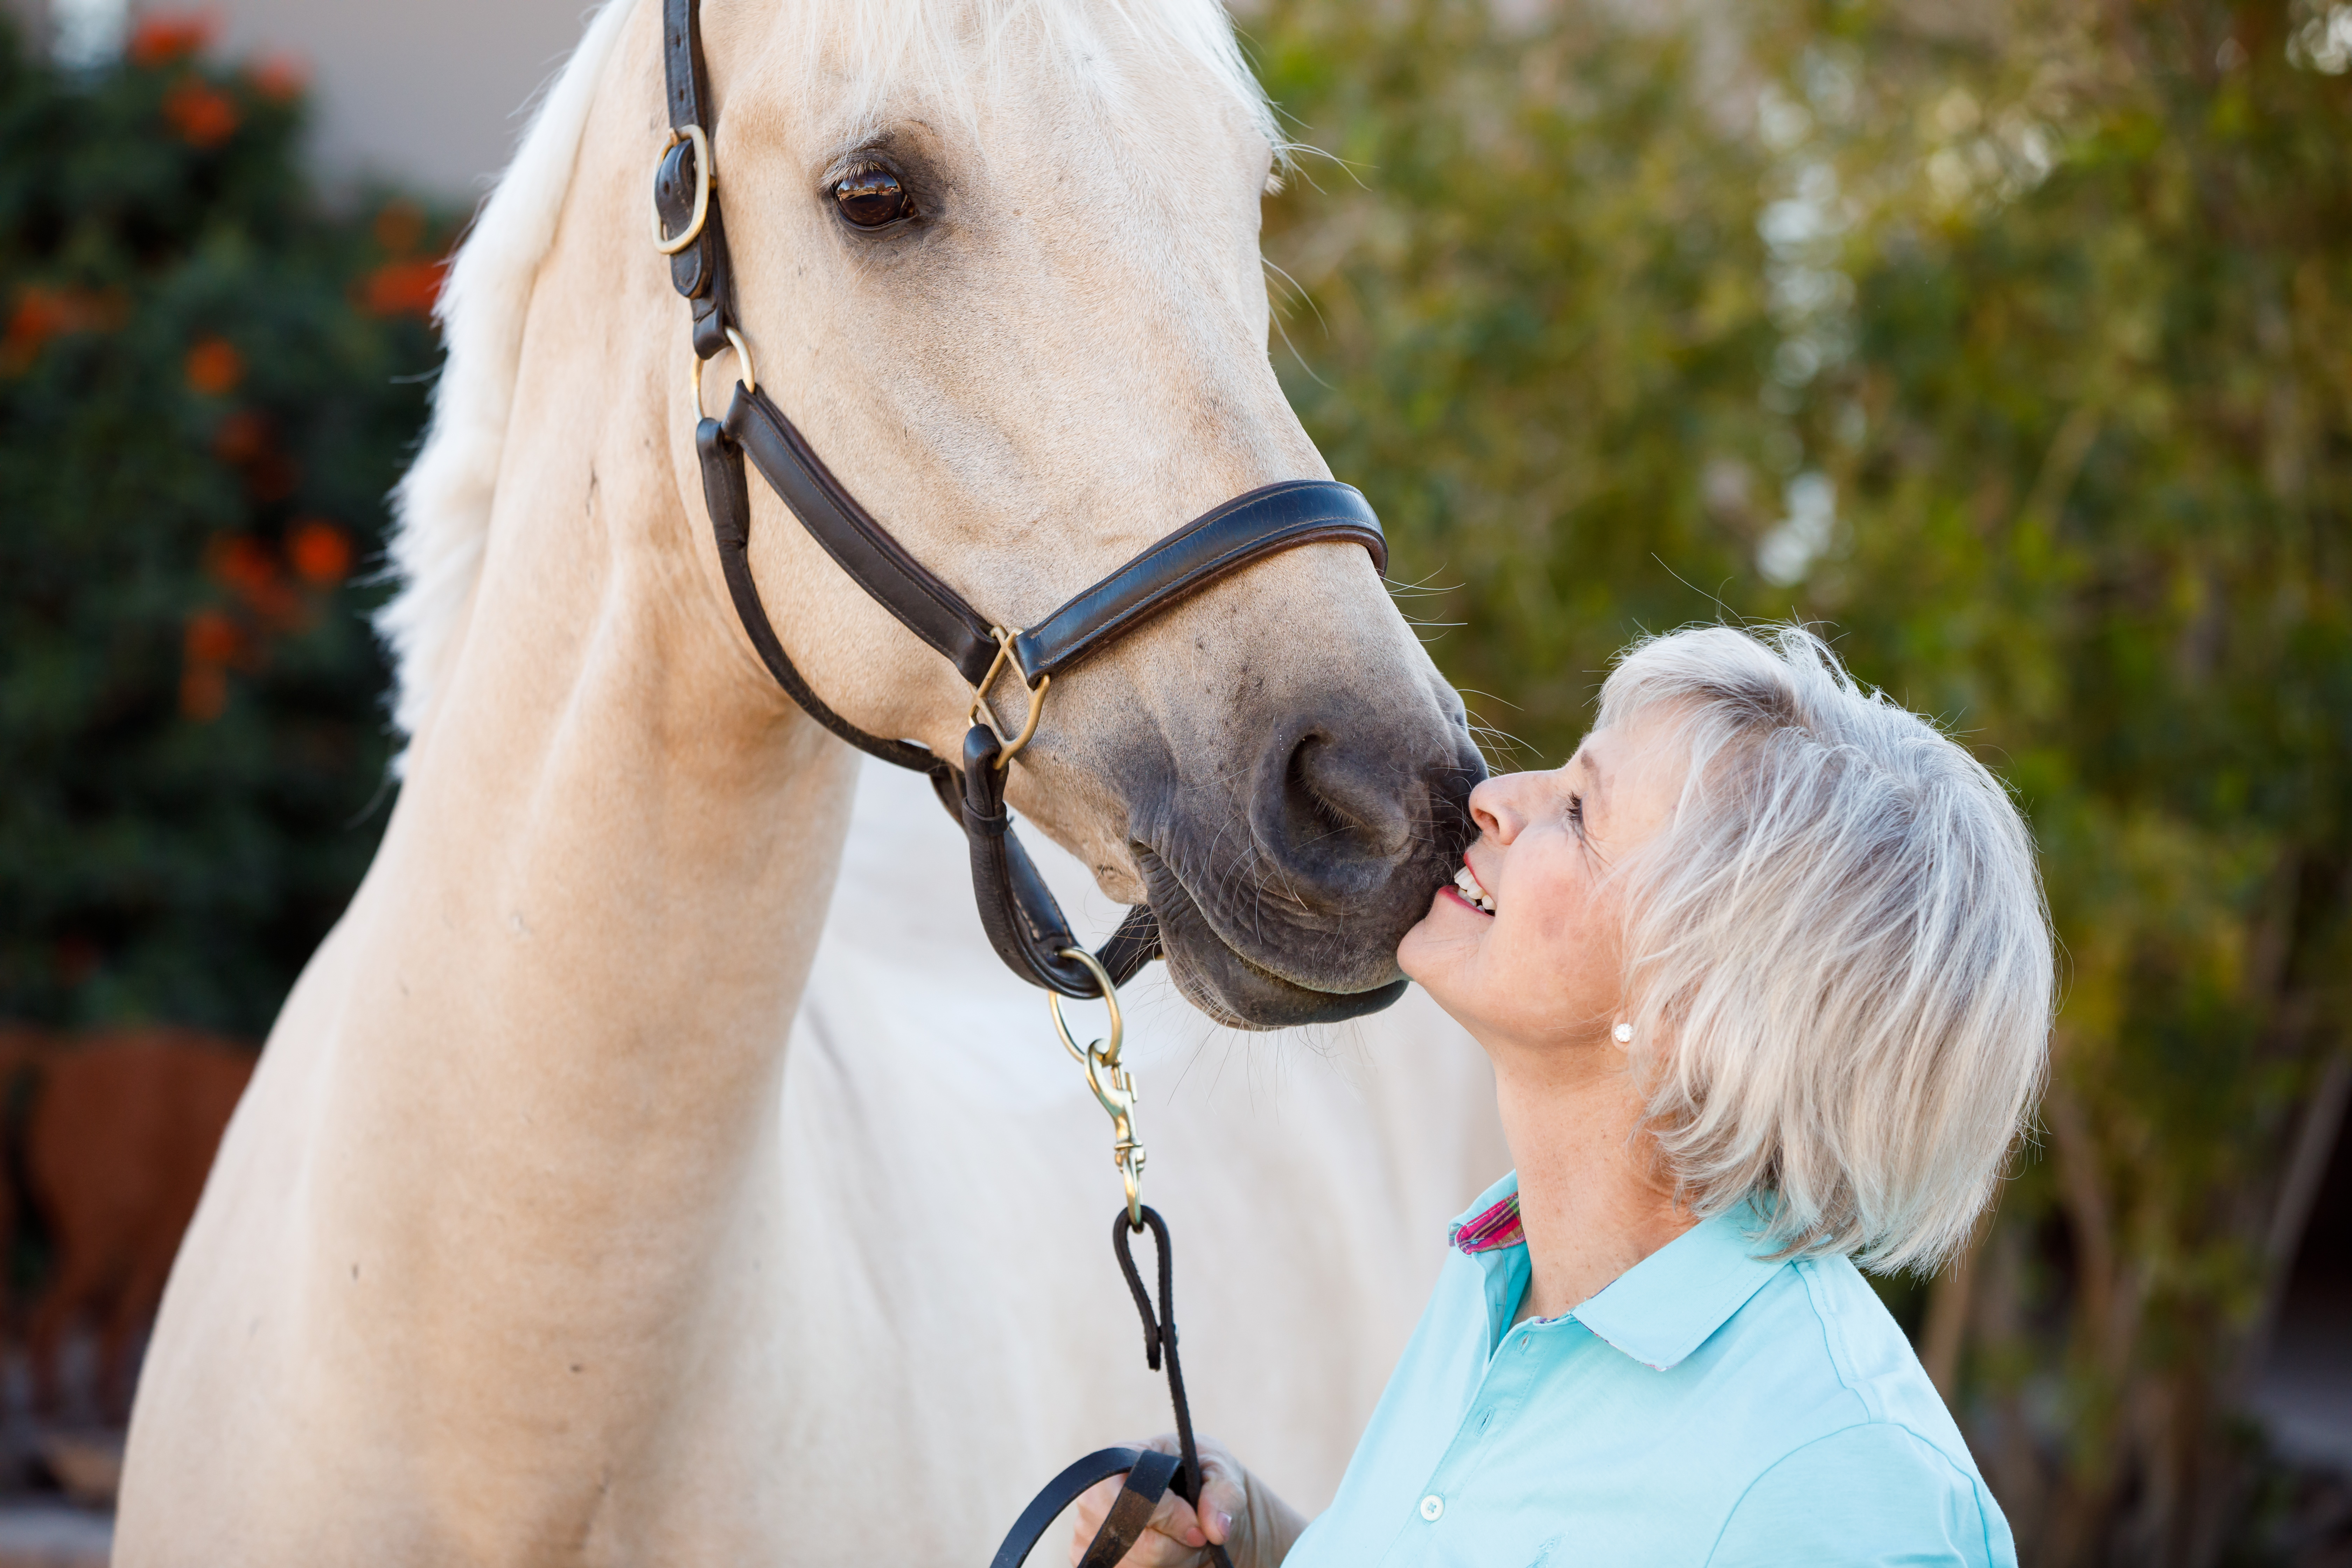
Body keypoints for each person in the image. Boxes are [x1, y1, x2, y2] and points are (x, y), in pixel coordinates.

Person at [1072, 624, 2051, 1567]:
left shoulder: (1843, 1493)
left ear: (1696, 1006)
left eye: (1580, 815)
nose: (1493, 799)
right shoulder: (1505, 1281)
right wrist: (1259, 1549)